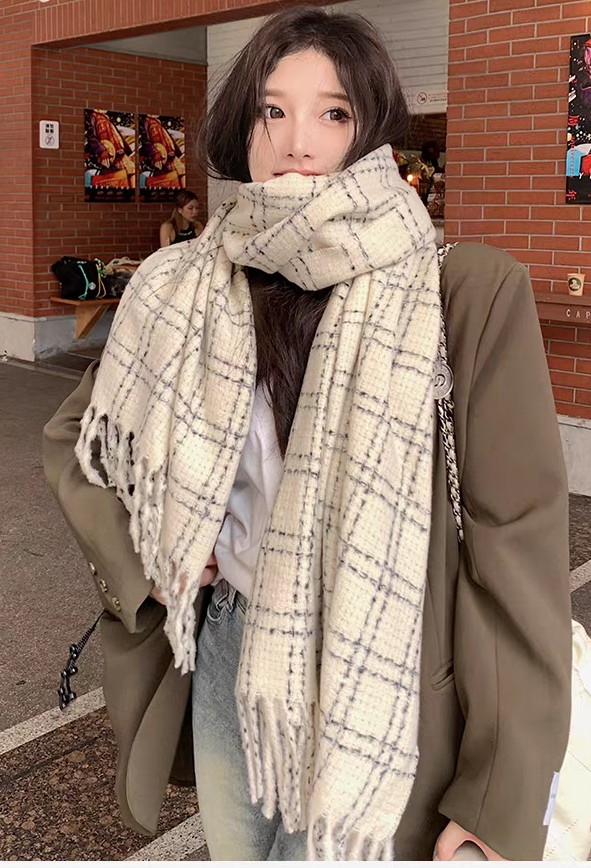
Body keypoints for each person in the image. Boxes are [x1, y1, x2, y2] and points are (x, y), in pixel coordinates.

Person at [43, 6, 571, 862]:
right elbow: (81, 440)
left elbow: (515, 540)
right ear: (240, 125)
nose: (297, 142)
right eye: (271, 110)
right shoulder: (181, 286)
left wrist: (499, 788)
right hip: (230, 651)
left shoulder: (462, 291)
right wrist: (156, 555)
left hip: (388, 672)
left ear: (371, 131)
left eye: (332, 112)